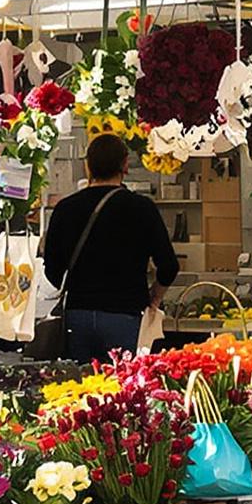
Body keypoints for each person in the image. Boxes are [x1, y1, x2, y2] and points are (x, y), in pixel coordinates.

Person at [41, 132, 180, 361]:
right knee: (123, 390)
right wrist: (153, 298)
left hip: (78, 316)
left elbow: (53, 272)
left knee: (80, 390)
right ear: (125, 164)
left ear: (88, 166)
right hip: (125, 315)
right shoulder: (141, 208)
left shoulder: (65, 209)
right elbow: (169, 266)